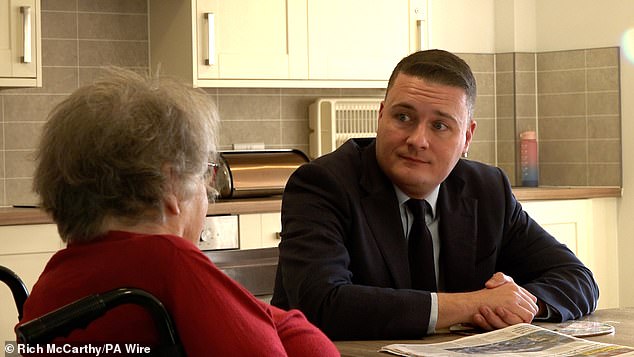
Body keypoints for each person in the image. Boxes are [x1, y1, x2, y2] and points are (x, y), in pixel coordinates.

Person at [271, 49, 599, 340]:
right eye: (403, 117)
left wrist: (523, 305)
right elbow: (322, 305)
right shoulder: (322, 184)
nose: (418, 139)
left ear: (467, 136)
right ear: (380, 115)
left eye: (440, 125)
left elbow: (577, 278)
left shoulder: (487, 190)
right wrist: (474, 304)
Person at [18, 68, 339, 356]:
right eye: (205, 176)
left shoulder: (54, 279)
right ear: (171, 186)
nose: (208, 195)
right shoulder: (169, 260)